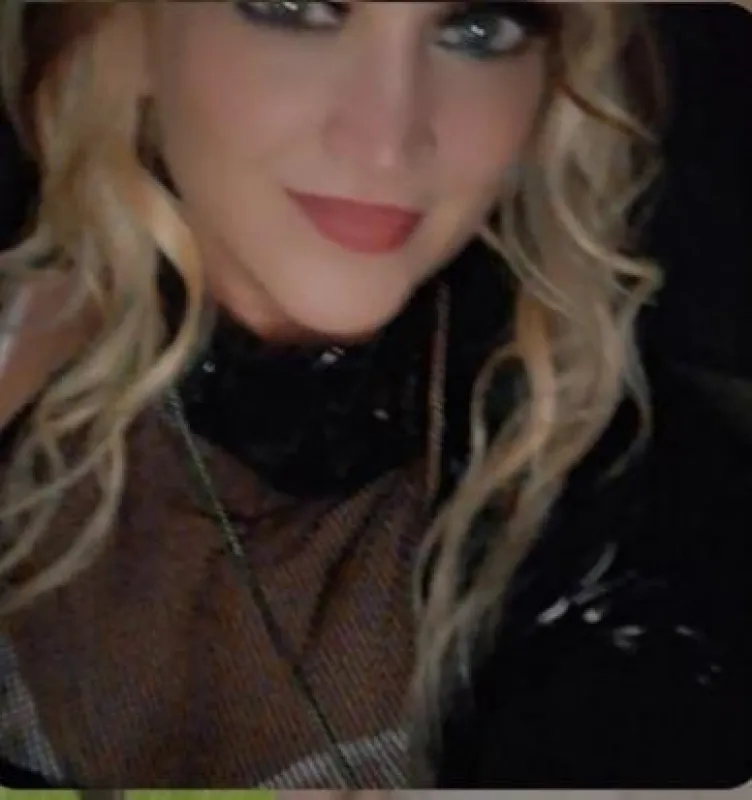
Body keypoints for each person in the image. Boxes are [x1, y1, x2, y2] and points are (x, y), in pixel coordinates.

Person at [0, 0, 748, 790]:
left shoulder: (643, 519)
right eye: (292, 7)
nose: (388, 139)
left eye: (478, 29)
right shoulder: (27, 376)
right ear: (126, 37)